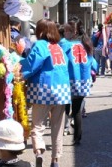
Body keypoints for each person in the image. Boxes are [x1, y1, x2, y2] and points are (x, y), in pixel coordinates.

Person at [20, 19, 71, 167]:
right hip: (62, 90)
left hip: (43, 89)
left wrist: (19, 73)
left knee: (37, 125)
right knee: (57, 126)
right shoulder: (59, 47)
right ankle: (55, 160)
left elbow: (31, 65)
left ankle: (39, 152)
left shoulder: (40, 45)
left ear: (41, 32)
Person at [65, 17, 98, 145]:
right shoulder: (87, 44)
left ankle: (64, 130)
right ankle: (77, 137)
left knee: (65, 109)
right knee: (77, 110)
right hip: (83, 82)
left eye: (68, 30)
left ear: (74, 31)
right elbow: (94, 64)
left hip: (68, 81)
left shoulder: (66, 45)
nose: (65, 32)